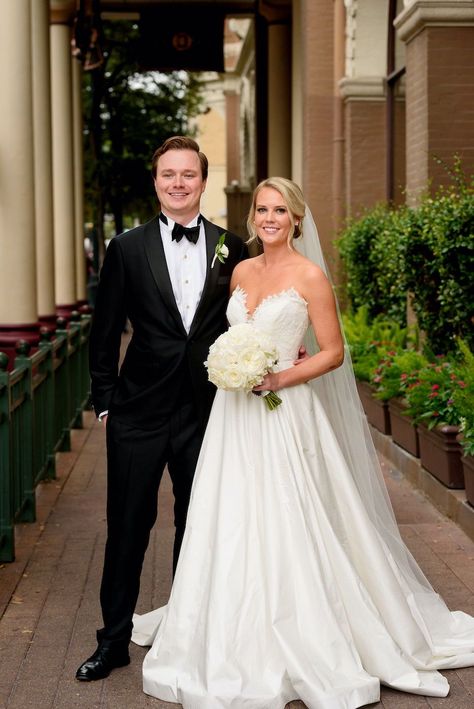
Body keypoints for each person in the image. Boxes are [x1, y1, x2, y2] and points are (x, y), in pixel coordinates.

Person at [131, 177, 474, 708]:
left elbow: (332, 352)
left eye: (280, 210)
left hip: (285, 411)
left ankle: (309, 627)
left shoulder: (310, 276)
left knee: (294, 511)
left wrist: (277, 379)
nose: (269, 218)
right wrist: (231, 367)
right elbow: (220, 334)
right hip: (234, 414)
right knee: (230, 512)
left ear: (297, 218)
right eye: (262, 209)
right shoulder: (240, 270)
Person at [76, 136, 248, 682]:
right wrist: (106, 404)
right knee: (127, 528)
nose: (178, 183)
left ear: (202, 181)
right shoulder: (126, 248)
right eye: (168, 174)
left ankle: (188, 634)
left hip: (209, 413)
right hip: (137, 414)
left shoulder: (232, 247)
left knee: (198, 528)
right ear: (156, 182)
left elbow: (244, 321)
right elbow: (103, 335)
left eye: (188, 174)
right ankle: (112, 642)